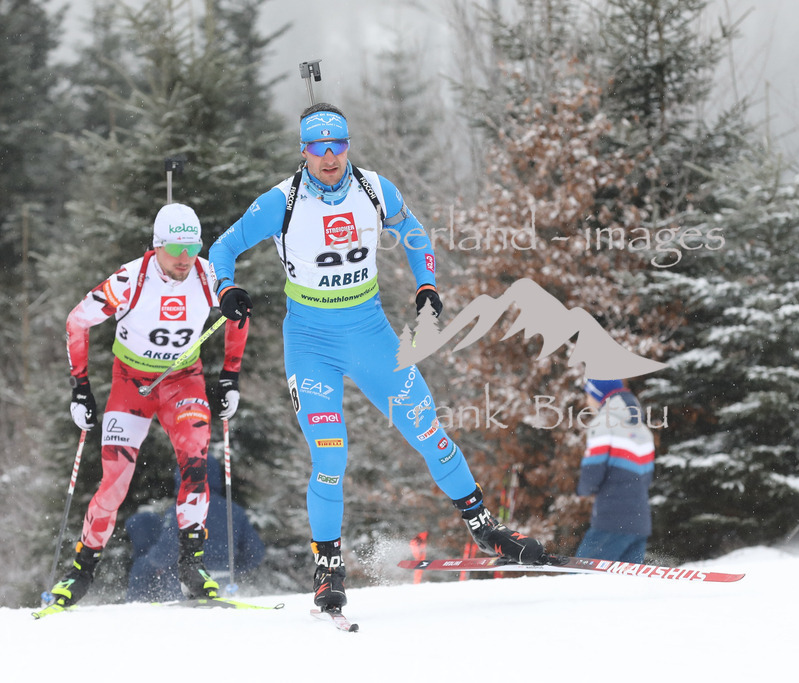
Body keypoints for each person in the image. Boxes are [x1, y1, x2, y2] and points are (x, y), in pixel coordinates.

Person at [208, 103, 545, 615]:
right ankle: (327, 570)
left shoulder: (374, 189)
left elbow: (415, 234)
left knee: (427, 429)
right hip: (311, 342)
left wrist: (427, 283)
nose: (328, 157)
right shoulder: (282, 200)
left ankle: (486, 528)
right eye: (318, 148)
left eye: (337, 145)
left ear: (348, 146)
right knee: (331, 456)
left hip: (369, 333)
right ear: (303, 150)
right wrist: (226, 288)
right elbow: (223, 247)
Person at [49, 204, 249, 608]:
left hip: (183, 382)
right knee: (115, 479)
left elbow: (239, 315)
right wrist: (81, 388)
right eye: (175, 247)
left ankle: (192, 563)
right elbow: (76, 321)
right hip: (131, 384)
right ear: (157, 245)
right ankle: (82, 570)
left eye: (192, 246)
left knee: (195, 458)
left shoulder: (209, 276)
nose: (184, 257)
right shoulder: (129, 280)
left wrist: (230, 376)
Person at [126, 454, 265, 602]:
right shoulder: (233, 510)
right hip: (224, 578)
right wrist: (231, 568)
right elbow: (255, 552)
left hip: (186, 584)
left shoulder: (181, 509)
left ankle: (137, 603)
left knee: (145, 565)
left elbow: (166, 552)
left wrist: (150, 560)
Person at [574, 379, 655, 563]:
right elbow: (647, 478)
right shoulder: (644, 431)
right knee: (623, 587)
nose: (587, 402)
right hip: (640, 522)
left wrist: (582, 490)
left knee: (578, 578)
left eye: (589, 395)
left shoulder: (604, 424)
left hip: (611, 519)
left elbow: (593, 471)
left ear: (599, 395)